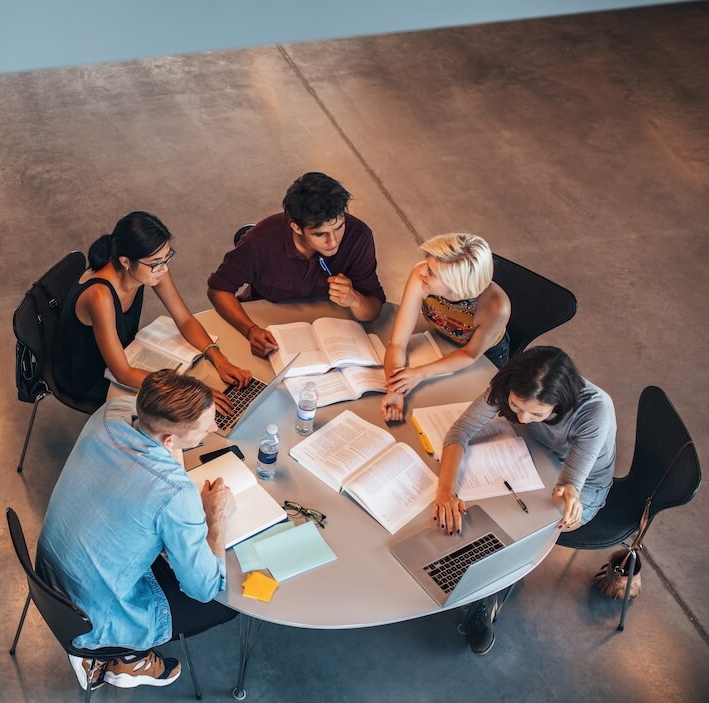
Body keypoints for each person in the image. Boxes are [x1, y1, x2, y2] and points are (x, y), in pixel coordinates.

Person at [36, 370, 240, 689]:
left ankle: (118, 654)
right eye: (206, 426)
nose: (213, 428)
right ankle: (127, 657)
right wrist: (216, 519)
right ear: (169, 441)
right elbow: (204, 588)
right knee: (225, 604)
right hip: (93, 613)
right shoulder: (174, 492)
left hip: (49, 574)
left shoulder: (111, 412)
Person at [434, 347, 617, 655]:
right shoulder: (511, 385)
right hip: (533, 457)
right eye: (516, 407)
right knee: (485, 513)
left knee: (520, 532)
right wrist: (445, 492)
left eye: (537, 414)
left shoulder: (595, 410)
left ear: (560, 403)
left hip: (583, 485)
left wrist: (569, 497)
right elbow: (460, 430)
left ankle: (488, 597)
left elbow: (570, 483)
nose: (522, 418)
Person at [53, 211, 251, 415]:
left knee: (196, 375)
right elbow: (122, 373)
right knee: (177, 410)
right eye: (156, 262)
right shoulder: (99, 296)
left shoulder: (151, 268)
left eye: (167, 257)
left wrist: (219, 359)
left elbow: (184, 319)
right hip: (89, 376)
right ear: (126, 261)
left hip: (124, 354)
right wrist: (193, 391)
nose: (163, 269)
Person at [207, 171, 386, 357]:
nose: (333, 242)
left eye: (339, 227)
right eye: (320, 234)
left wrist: (354, 299)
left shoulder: (359, 236)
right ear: (296, 227)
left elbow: (373, 311)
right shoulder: (260, 241)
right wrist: (250, 329)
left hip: (331, 334)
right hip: (267, 327)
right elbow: (218, 290)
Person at [380, 233, 511, 423]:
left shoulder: (497, 306)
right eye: (427, 264)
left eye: (432, 273)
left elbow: (469, 354)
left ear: (457, 286)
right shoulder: (421, 275)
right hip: (440, 338)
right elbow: (398, 342)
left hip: (484, 357)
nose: (422, 271)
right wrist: (395, 389)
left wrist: (419, 374)